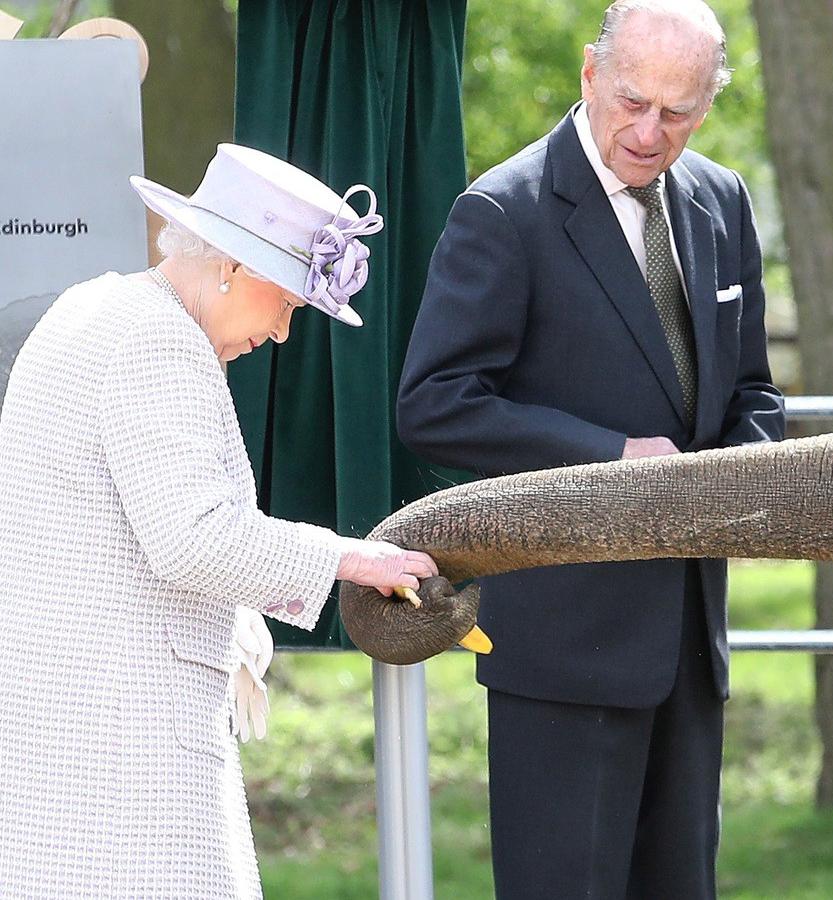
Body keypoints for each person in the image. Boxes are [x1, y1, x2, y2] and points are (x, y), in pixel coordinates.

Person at [397, 1, 784, 895]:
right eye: (632, 102)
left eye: (677, 113)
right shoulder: (502, 208)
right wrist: (614, 456)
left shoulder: (722, 200)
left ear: (707, 108)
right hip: (563, 653)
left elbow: (753, 389)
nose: (649, 132)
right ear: (588, 73)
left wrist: (750, 471)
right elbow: (434, 405)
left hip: (691, 644)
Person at [0, 143, 438, 899]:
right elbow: (194, 538)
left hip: (65, 728)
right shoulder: (159, 338)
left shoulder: (93, 304)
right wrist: (350, 559)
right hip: (122, 743)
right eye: (292, 306)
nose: (282, 336)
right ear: (237, 267)